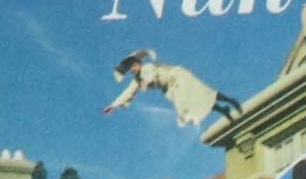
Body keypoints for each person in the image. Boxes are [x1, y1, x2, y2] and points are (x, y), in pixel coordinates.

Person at [102, 51, 242, 126]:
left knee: (203, 93)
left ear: (138, 63)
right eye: (130, 69)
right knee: (192, 104)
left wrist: (146, 82)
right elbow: (128, 92)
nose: (132, 70)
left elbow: (151, 74)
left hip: (179, 77)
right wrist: (114, 105)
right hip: (172, 88)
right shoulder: (136, 81)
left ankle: (230, 101)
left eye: (133, 66)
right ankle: (223, 110)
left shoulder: (147, 67)